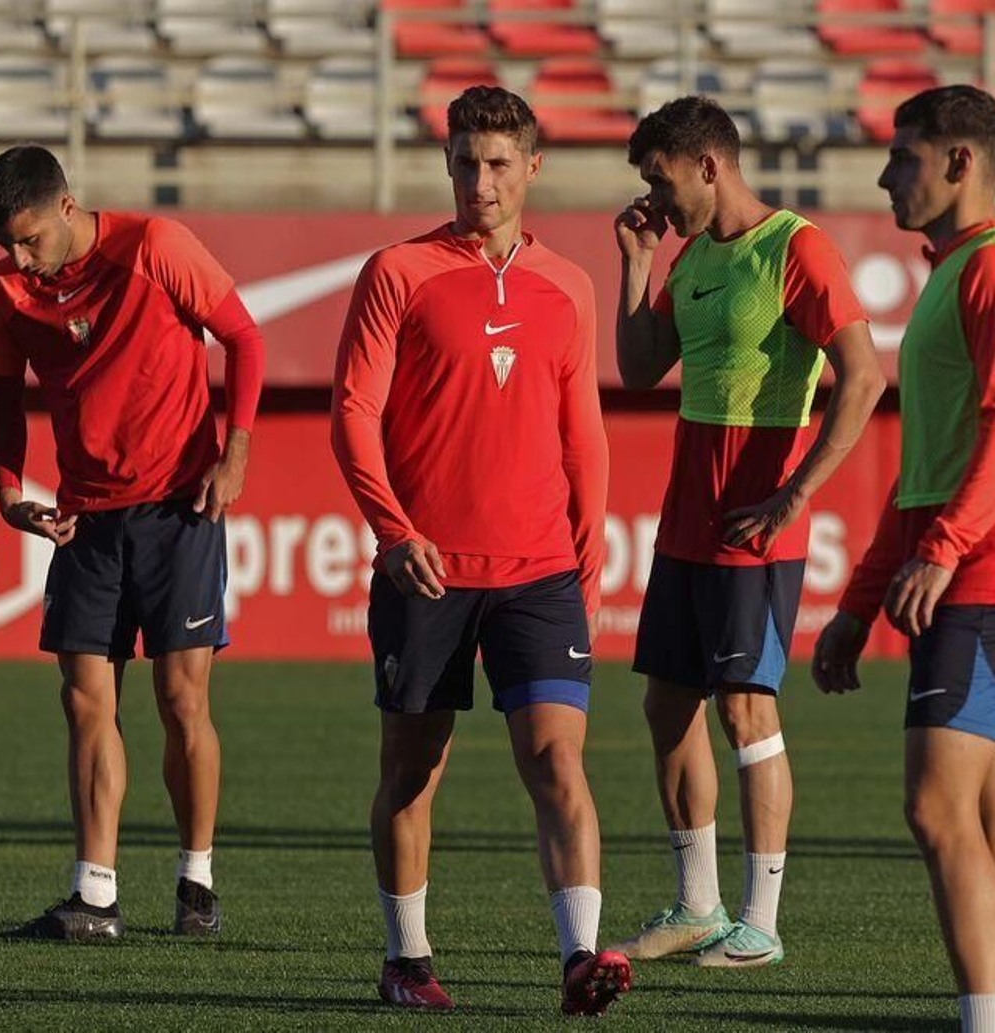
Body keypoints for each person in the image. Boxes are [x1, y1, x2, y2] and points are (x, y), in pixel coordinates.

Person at [331, 86, 627, 1015]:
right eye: (466, 161)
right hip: (427, 569)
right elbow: (354, 414)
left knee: (557, 762)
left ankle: (581, 956)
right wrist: (392, 530)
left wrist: (586, 546)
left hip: (540, 571)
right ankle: (405, 959)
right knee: (412, 774)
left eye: (499, 163)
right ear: (448, 164)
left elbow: (584, 431)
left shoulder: (570, 284)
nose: (481, 181)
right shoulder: (397, 271)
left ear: (532, 167)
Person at [813, 84, 995, 1033]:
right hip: (985, 564)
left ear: (960, 163)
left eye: (903, 155)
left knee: (935, 808)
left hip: (993, 566)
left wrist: (948, 551)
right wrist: (857, 603)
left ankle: (985, 1024)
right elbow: (922, 473)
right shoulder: (959, 272)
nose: (885, 176)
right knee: (992, 817)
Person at [609, 96, 883, 968]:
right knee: (665, 703)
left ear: (709, 167)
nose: (657, 194)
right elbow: (642, 367)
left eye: (662, 179)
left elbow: (864, 376)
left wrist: (798, 492)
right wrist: (638, 262)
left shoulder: (795, 246)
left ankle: (760, 923)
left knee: (744, 706)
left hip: (755, 520)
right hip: (689, 515)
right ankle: (697, 905)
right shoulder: (688, 255)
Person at [0, 144, 265, 940]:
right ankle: (94, 893)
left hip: (179, 507)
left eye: (29, 239)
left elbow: (244, 339)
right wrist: (9, 494)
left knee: (181, 701)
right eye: (5, 244)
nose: (18, 257)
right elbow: (2, 399)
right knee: (83, 701)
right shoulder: (5, 289)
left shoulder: (155, 247)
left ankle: (196, 875)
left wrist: (233, 450)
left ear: (67, 208)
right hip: (84, 518)